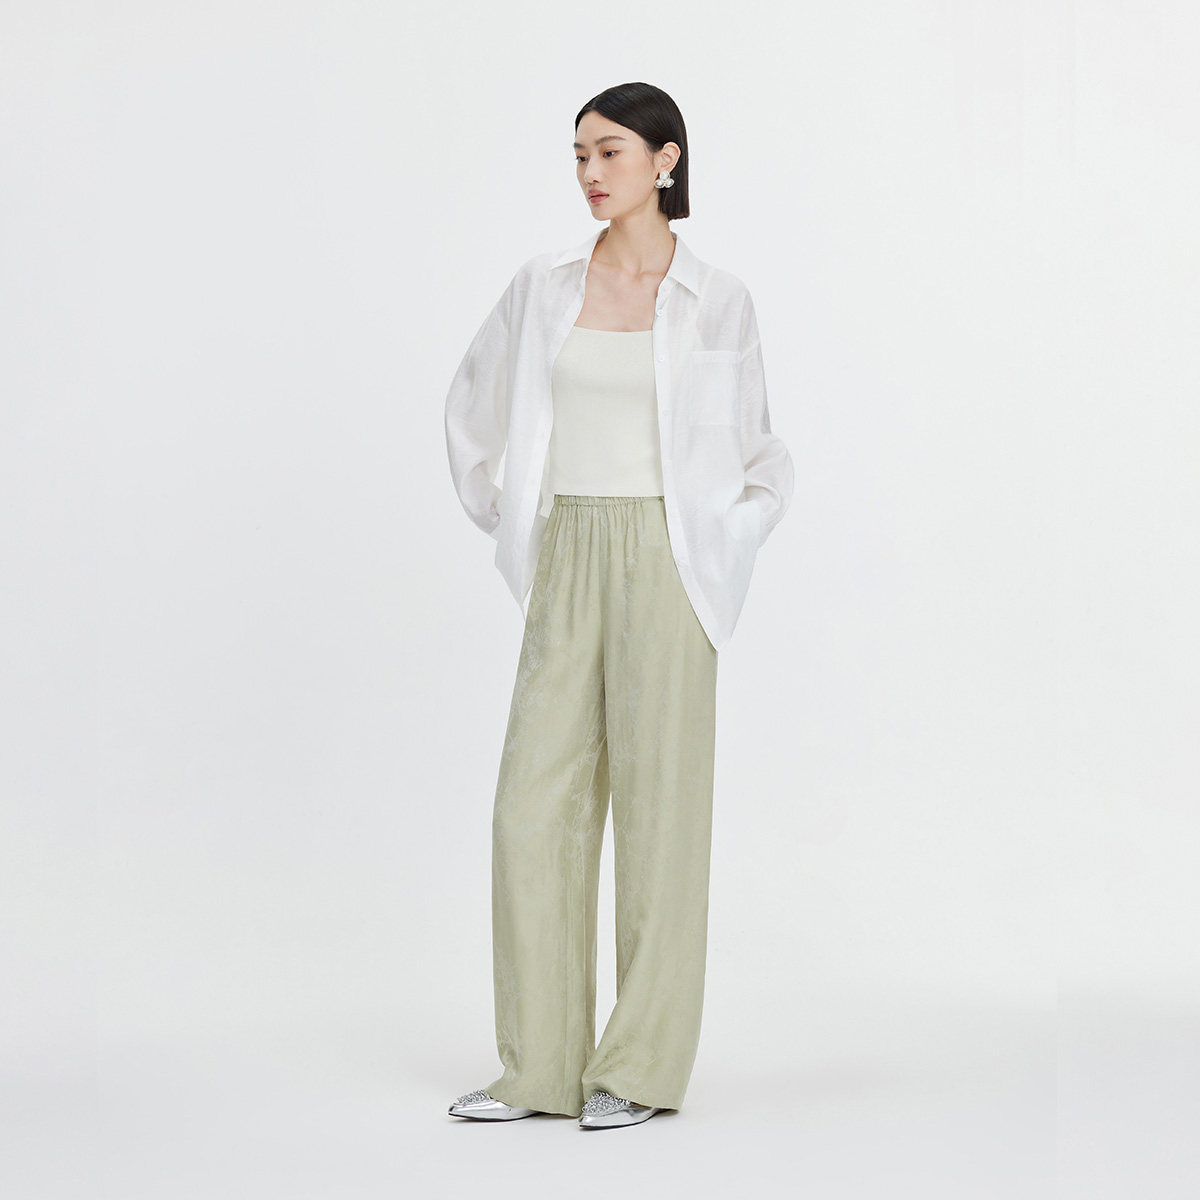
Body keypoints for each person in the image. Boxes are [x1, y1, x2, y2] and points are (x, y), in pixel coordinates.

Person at [443, 82, 794, 1130]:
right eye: (580, 156)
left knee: (661, 816)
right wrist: (512, 517)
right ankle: (539, 1069)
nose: (591, 173)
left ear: (665, 160)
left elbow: (759, 452)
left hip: (668, 559)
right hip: (569, 548)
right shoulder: (543, 285)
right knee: (531, 809)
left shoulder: (716, 299)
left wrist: (727, 538)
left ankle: (636, 1069)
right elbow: (470, 406)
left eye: (610, 152)